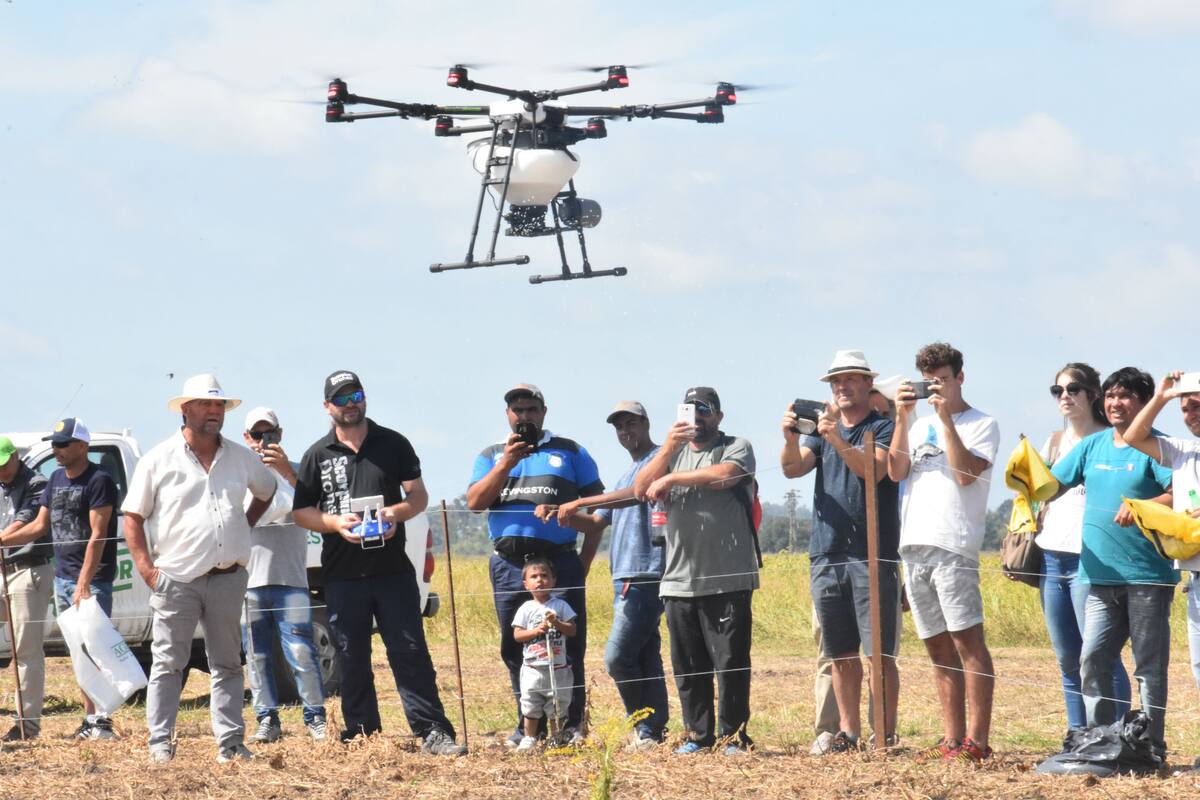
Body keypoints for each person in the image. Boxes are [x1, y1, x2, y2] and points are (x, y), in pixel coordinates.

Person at [292, 370, 463, 755]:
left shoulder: (393, 443)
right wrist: (336, 523)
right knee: (351, 656)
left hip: (392, 571)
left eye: (357, 396)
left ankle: (433, 732)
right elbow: (302, 512)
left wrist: (394, 515)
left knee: (410, 652)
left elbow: (418, 496)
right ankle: (362, 734)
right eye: (342, 398)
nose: (351, 404)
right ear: (327, 407)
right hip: (343, 573)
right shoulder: (317, 455)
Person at [122, 374, 278, 764]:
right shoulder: (158, 459)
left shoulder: (242, 457)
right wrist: (148, 572)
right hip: (176, 579)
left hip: (229, 577)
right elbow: (132, 518)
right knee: (168, 664)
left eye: (219, 405)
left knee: (227, 663)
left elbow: (267, 490)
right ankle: (160, 744)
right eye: (206, 404)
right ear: (185, 409)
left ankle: (230, 744)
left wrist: (244, 524)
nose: (214, 411)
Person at [466, 383, 604, 747]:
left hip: (559, 563)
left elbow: (600, 508)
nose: (524, 417)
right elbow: (475, 502)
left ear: (544, 412)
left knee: (568, 644)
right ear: (508, 416)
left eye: (531, 410)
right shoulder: (492, 454)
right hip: (510, 567)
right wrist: (506, 464)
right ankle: (529, 727)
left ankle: (570, 726)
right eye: (517, 411)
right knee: (517, 646)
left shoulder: (570, 451)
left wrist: (583, 560)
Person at [1049, 367, 1175, 754]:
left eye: (1125, 397)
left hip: (1147, 577)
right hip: (1099, 576)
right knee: (1093, 659)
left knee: (1148, 668)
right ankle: (1099, 740)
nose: (1115, 403)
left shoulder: (1159, 447)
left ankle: (1150, 746)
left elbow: (1182, 493)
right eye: (1110, 396)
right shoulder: (1093, 445)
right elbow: (1052, 485)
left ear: (1143, 403)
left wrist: (1141, 507)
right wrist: (1022, 483)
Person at [781, 350, 901, 753]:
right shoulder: (821, 431)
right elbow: (792, 469)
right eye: (836, 381)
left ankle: (882, 734)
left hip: (872, 552)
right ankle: (847, 735)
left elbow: (875, 471)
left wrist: (834, 436)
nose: (841, 387)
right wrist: (791, 438)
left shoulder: (882, 427)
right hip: (826, 553)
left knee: (878, 654)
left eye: (850, 379)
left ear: (869, 383)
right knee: (840, 653)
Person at [888, 343, 1001, 763]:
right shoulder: (915, 427)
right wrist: (903, 417)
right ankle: (952, 738)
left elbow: (965, 474)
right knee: (936, 646)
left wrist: (944, 419)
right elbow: (896, 472)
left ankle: (978, 741)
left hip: (953, 543)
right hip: (913, 543)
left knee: (967, 641)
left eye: (942, 378)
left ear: (960, 378)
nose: (935, 386)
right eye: (928, 379)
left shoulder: (981, 423)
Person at [537, 400, 668, 750]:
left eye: (631, 424)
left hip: (646, 571)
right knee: (644, 654)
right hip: (623, 572)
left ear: (646, 423)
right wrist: (561, 514)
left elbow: (635, 494)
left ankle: (642, 727)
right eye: (619, 427)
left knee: (617, 656)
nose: (626, 432)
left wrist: (578, 502)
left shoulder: (657, 462)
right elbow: (598, 521)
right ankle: (654, 730)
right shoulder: (627, 471)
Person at [634, 386, 759, 755]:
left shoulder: (737, 445)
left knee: (731, 662)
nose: (697, 416)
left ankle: (733, 736)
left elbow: (726, 476)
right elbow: (642, 489)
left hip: (728, 575)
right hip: (678, 579)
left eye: (704, 410)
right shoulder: (670, 454)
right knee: (688, 666)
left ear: (719, 416)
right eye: (690, 409)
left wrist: (672, 479)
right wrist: (669, 451)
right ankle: (697, 736)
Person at [1032, 364, 1131, 740]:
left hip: (1093, 560)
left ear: (1093, 394)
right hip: (1051, 555)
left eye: (1073, 388)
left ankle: (1115, 735)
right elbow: (1034, 496)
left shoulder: (1113, 440)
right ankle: (1078, 734)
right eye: (1057, 390)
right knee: (1067, 657)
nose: (1065, 396)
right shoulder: (1053, 442)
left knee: (1100, 656)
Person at [14, 419, 120, 740]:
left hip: (91, 580)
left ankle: (101, 720)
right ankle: (91, 720)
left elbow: (98, 535)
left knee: (95, 649)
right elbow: (39, 527)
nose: (56, 450)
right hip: (62, 578)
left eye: (63, 445)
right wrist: (3, 541)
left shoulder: (99, 480)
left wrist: (85, 581)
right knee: (78, 650)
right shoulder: (56, 479)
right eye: (55, 444)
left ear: (82, 447)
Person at [240, 407, 327, 744]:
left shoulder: (298, 472)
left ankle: (316, 717)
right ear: (246, 437)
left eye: (269, 433)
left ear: (280, 433)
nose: (263, 441)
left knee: (301, 652)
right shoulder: (240, 473)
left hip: (291, 579)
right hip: (250, 582)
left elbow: (312, 506)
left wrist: (285, 470)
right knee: (256, 655)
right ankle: (267, 719)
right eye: (256, 434)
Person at [1122, 370, 1200, 725]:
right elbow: (1134, 435)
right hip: (1195, 576)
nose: (1191, 414)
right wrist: (1162, 397)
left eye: (1198, 405)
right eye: (1186, 408)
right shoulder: (1184, 452)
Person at [0, 435, 51, 741]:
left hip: (28, 569)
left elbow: (25, 522)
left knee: (26, 650)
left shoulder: (36, 484)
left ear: (16, 458)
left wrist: (1, 540)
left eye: (5, 465)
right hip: (3, 569)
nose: (2, 472)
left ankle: (26, 725)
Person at [511, 556, 577, 753]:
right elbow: (517, 635)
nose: (540, 580)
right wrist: (536, 631)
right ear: (526, 584)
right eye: (534, 576)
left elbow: (572, 630)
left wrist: (557, 623)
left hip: (558, 668)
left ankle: (557, 738)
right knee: (530, 705)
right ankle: (529, 737)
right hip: (533, 668)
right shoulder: (526, 609)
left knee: (557, 706)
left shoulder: (561, 606)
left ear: (553, 580)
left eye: (544, 576)